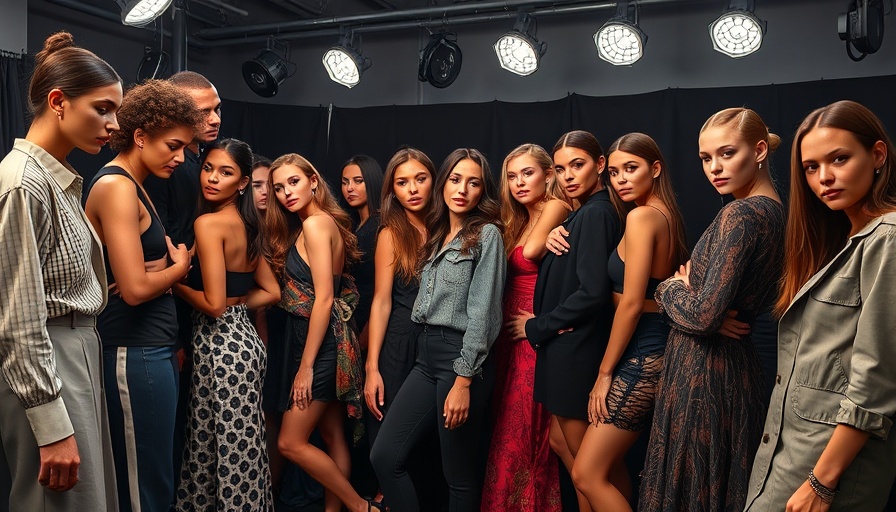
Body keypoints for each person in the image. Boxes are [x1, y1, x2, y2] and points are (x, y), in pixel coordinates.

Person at [746, 100, 896, 511]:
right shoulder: (845, 241)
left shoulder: (888, 239)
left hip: (830, 468)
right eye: (811, 167)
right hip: (793, 453)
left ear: (877, 155)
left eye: (840, 159)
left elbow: (876, 381)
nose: (824, 177)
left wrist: (822, 483)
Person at [638, 108, 785, 511]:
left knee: (695, 492)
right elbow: (713, 313)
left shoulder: (740, 213)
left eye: (726, 153)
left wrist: (671, 286)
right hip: (737, 370)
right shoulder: (778, 213)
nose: (715, 168)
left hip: (703, 374)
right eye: (706, 158)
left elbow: (702, 316)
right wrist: (706, 309)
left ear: (758, 151)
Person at [0, 31, 121, 512]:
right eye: (103, 108)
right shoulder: (23, 183)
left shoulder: (60, 178)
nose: (113, 124)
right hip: (49, 358)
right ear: (58, 102)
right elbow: (18, 319)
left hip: (76, 350)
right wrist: (51, 426)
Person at [83, 79, 202, 512]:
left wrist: (162, 272)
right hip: (132, 351)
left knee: (156, 478)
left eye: (186, 148)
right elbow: (133, 290)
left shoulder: (137, 183)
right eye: (173, 145)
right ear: (140, 136)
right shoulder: (116, 186)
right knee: (142, 488)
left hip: (152, 348)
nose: (180, 157)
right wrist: (178, 269)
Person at [370, 148, 506, 512]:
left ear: (483, 190)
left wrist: (464, 380)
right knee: (384, 456)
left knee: (457, 476)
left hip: (461, 359)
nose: (462, 189)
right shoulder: (439, 234)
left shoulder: (486, 234)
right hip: (425, 356)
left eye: (473, 182)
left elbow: (485, 312)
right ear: (443, 184)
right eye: (455, 179)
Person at [567, 133, 688, 511]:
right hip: (651, 349)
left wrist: (604, 374)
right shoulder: (664, 214)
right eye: (615, 171)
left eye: (631, 169)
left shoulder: (642, 216)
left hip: (642, 355)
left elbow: (633, 303)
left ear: (655, 169)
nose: (620, 179)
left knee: (586, 474)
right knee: (600, 468)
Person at [264, 153, 380, 512]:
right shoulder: (316, 223)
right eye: (279, 187)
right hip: (323, 340)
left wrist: (306, 367)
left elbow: (324, 299)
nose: (286, 193)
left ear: (313, 180)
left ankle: (360, 508)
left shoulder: (315, 225)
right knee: (332, 437)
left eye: (294, 182)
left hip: (321, 345)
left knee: (289, 443)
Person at [513, 130, 621, 512]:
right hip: (563, 349)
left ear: (600, 165)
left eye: (578, 165)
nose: (568, 176)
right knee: (561, 445)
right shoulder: (584, 214)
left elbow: (593, 293)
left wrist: (537, 326)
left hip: (574, 351)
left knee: (591, 472)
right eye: (561, 168)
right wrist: (564, 228)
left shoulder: (596, 213)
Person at [173, 138, 280, 511]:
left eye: (226, 172)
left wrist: (176, 284)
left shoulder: (208, 223)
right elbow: (271, 292)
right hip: (246, 344)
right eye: (208, 168)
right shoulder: (249, 224)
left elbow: (215, 306)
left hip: (220, 346)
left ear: (243, 182)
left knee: (225, 452)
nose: (212, 178)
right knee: (230, 446)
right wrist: (238, 305)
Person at [481, 143, 569, 511]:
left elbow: (531, 253)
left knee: (526, 433)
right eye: (512, 176)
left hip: (532, 335)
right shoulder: (518, 217)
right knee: (506, 426)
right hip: (509, 336)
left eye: (527, 173)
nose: (518, 183)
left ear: (549, 175)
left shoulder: (556, 206)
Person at [341, 155, 385, 344]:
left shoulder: (380, 226)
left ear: (373, 182)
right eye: (345, 182)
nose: (349, 188)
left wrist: (367, 335)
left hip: (370, 324)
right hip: (351, 320)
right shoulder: (353, 225)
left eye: (358, 181)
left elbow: (381, 290)